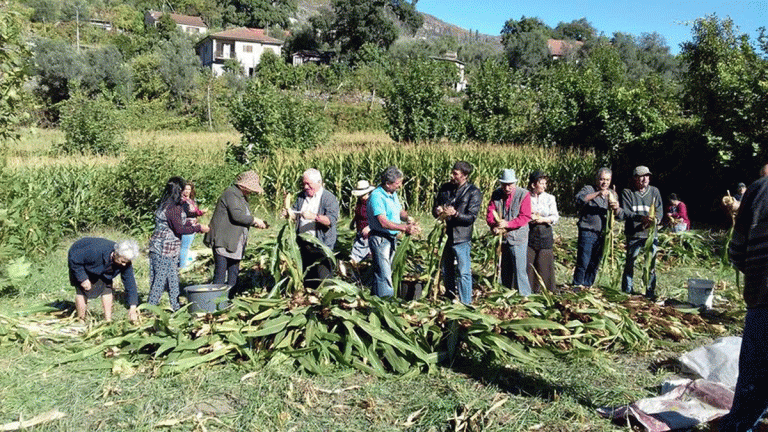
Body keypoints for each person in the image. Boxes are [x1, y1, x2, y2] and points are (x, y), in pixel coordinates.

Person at [719, 175, 768, 432]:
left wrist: (755, 272)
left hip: (763, 298)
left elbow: (737, 251)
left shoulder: (760, 190)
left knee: (754, 380)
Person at [148, 177, 209, 311]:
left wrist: (191, 223)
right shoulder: (173, 208)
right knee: (160, 280)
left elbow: (174, 224)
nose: (185, 192)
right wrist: (198, 228)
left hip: (162, 246)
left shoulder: (165, 203)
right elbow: (179, 229)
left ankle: (176, 306)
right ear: (178, 190)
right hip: (165, 249)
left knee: (173, 279)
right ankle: (150, 309)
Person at [206, 171, 268, 290]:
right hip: (224, 240)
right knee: (220, 273)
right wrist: (254, 220)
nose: (251, 191)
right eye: (250, 188)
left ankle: (229, 299)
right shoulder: (231, 194)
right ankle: (215, 302)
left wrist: (257, 223)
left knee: (233, 273)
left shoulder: (241, 196)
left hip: (235, 241)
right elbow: (237, 216)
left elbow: (242, 217)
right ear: (243, 185)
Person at [433, 161, 483, 305]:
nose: (452, 176)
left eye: (455, 173)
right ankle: (449, 298)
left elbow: (471, 217)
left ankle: (466, 302)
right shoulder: (445, 189)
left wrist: (455, 214)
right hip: (445, 236)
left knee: (463, 272)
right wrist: (437, 211)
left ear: (465, 176)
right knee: (446, 270)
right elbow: (435, 207)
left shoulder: (473, 192)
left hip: (461, 237)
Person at [367, 166, 419, 298]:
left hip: (391, 238)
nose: (400, 186)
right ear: (387, 183)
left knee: (384, 271)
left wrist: (407, 218)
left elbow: (399, 211)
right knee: (384, 275)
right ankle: (386, 304)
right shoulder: (376, 197)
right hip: (380, 239)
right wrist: (404, 228)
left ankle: (375, 301)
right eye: (397, 183)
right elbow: (383, 222)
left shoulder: (392, 194)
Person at [286, 168, 339, 288]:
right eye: (304, 183)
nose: (305, 186)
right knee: (307, 277)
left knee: (323, 278)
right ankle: (310, 300)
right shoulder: (301, 196)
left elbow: (331, 220)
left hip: (321, 245)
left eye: (308, 184)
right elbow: (295, 212)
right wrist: (289, 214)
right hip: (304, 244)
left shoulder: (328, 198)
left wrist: (314, 217)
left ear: (318, 182)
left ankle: (326, 302)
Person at [617, 165, 662, 298]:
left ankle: (649, 291)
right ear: (635, 178)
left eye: (647, 176)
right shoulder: (627, 192)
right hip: (634, 234)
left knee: (650, 263)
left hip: (650, 234)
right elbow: (626, 212)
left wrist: (656, 220)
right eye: (641, 176)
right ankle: (627, 289)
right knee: (631, 261)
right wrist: (641, 219)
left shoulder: (654, 191)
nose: (644, 179)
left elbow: (659, 210)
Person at [68, 237, 140, 322]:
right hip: (82, 262)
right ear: (116, 254)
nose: (124, 265)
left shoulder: (125, 261)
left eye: (126, 262)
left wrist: (133, 307)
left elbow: (130, 282)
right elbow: (74, 259)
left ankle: (108, 321)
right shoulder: (95, 250)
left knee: (107, 288)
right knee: (82, 291)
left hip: (103, 267)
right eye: (122, 261)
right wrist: (83, 278)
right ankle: (81, 320)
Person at [486, 169, 532, 296]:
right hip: (502, 238)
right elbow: (490, 212)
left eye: (510, 184)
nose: (507, 187)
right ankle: (507, 294)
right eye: (504, 184)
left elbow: (525, 216)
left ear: (515, 183)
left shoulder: (524, 194)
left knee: (519, 269)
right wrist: (494, 226)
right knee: (504, 268)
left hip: (518, 237)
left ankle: (525, 296)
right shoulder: (496, 194)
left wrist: (507, 224)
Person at [572, 168, 619, 289]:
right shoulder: (589, 189)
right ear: (597, 179)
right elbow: (579, 199)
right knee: (583, 260)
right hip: (588, 231)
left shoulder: (612, 194)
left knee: (595, 262)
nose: (604, 183)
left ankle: (588, 285)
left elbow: (618, 213)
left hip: (603, 233)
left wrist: (616, 208)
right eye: (602, 179)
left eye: (607, 180)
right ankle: (577, 285)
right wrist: (598, 194)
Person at [526, 170, 559, 293]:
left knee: (545, 263)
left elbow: (555, 217)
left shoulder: (550, 198)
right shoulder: (526, 197)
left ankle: (548, 291)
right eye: (542, 183)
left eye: (545, 183)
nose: (544, 186)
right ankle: (530, 290)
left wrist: (542, 219)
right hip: (530, 232)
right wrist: (531, 217)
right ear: (534, 185)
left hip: (545, 233)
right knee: (529, 263)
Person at [179, 181, 206, 270]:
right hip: (186, 226)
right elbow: (186, 213)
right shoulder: (181, 201)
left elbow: (194, 212)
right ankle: (182, 268)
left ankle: (183, 265)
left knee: (187, 246)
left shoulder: (190, 201)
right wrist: (199, 213)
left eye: (189, 189)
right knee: (184, 247)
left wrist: (200, 213)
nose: (187, 191)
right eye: (185, 189)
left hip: (193, 226)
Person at [349, 179, 376, 265]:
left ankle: (350, 267)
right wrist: (353, 222)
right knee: (367, 254)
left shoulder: (372, 202)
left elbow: (378, 218)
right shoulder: (359, 202)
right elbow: (358, 214)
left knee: (357, 253)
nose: (360, 196)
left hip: (368, 233)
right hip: (360, 231)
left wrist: (369, 227)